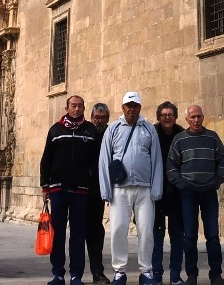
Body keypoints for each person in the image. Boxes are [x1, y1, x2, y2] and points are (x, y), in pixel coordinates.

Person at [99, 91, 163, 285]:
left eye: (135, 106)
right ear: (123, 107)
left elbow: (156, 159)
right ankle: (119, 271)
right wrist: (106, 190)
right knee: (118, 229)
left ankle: (146, 271)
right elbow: (104, 159)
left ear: (140, 108)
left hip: (144, 189)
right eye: (128, 105)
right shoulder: (113, 129)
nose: (131, 109)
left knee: (146, 230)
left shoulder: (148, 129)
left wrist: (156, 189)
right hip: (120, 189)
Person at [41, 95, 101, 285]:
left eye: (80, 106)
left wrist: (90, 175)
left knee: (78, 234)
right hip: (58, 189)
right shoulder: (56, 130)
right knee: (57, 232)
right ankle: (58, 273)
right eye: (73, 106)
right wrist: (45, 186)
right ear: (67, 108)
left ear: (84, 108)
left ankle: (76, 275)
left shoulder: (90, 131)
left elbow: (96, 158)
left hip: (81, 192)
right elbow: (46, 159)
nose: (76, 109)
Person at [166, 105, 224, 285]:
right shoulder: (179, 140)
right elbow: (171, 166)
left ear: (203, 117)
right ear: (186, 119)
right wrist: (182, 185)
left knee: (213, 235)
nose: (196, 120)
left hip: (209, 192)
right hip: (188, 194)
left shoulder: (212, 138)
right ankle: (191, 275)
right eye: (192, 117)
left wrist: (217, 181)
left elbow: (222, 161)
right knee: (190, 235)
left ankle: (216, 274)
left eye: (199, 116)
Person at [152, 102, 186, 285]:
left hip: (176, 193)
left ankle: (175, 274)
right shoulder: (151, 133)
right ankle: (156, 274)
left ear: (175, 117)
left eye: (170, 114)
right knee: (156, 236)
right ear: (159, 116)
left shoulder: (182, 134)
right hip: (156, 193)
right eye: (164, 114)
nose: (167, 117)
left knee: (177, 236)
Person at [88, 103, 112, 284]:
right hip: (81, 188)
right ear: (91, 117)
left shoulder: (112, 134)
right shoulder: (84, 132)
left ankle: (97, 272)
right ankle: (74, 273)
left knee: (96, 229)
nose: (99, 121)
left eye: (103, 118)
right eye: (96, 117)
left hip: (100, 189)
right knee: (79, 230)